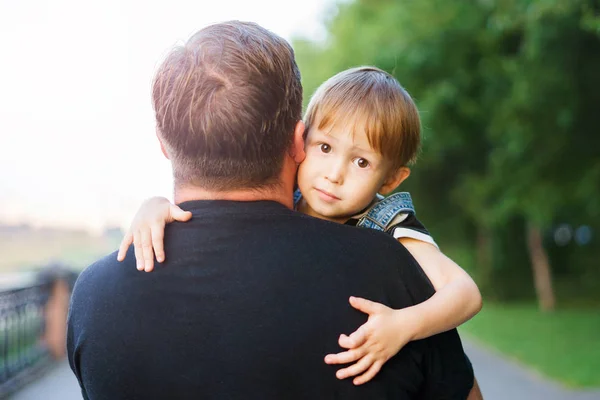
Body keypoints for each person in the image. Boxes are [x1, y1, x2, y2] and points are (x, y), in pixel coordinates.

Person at [67, 21, 478, 399]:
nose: (334, 175)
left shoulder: (93, 296)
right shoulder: (393, 274)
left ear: (164, 143)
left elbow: (464, 292)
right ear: (300, 141)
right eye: (326, 148)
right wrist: (154, 206)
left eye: (360, 161)